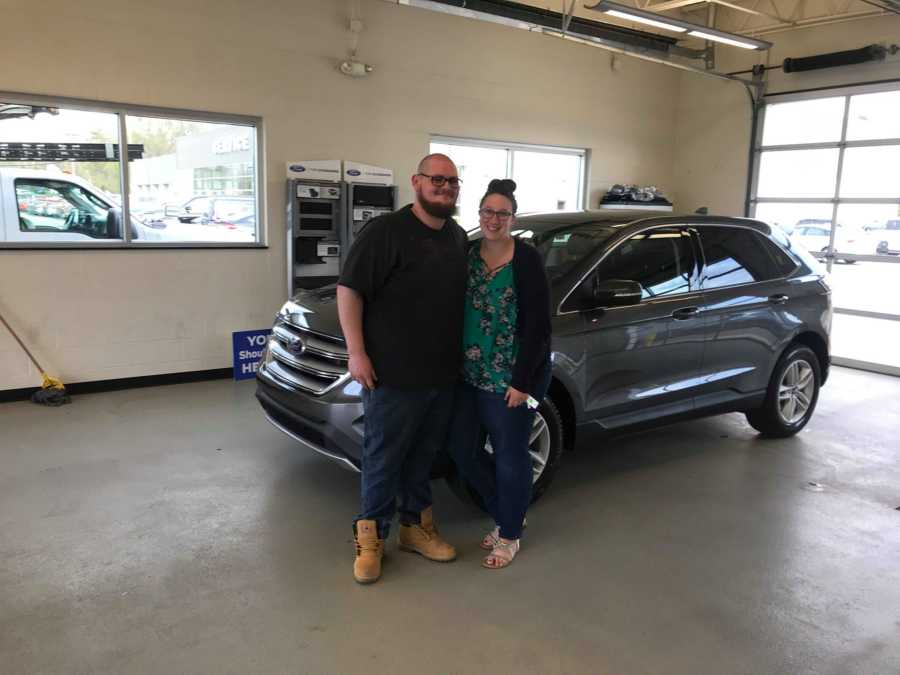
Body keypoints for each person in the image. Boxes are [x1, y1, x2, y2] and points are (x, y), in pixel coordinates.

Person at [336, 153, 468, 584]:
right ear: (417, 181)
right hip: (391, 374)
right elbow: (349, 291)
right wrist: (357, 353)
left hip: (441, 374)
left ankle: (415, 528)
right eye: (437, 179)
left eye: (452, 181)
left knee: (423, 456)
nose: (445, 187)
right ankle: (371, 537)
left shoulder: (456, 237)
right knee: (383, 457)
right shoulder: (385, 233)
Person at [448, 178, 552, 569]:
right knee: (462, 449)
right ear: (479, 214)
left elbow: (539, 326)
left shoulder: (526, 259)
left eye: (502, 213)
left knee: (510, 455)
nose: (494, 219)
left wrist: (522, 382)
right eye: (488, 212)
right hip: (468, 373)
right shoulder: (467, 253)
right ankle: (509, 511)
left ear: (513, 217)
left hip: (510, 378)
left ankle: (509, 535)